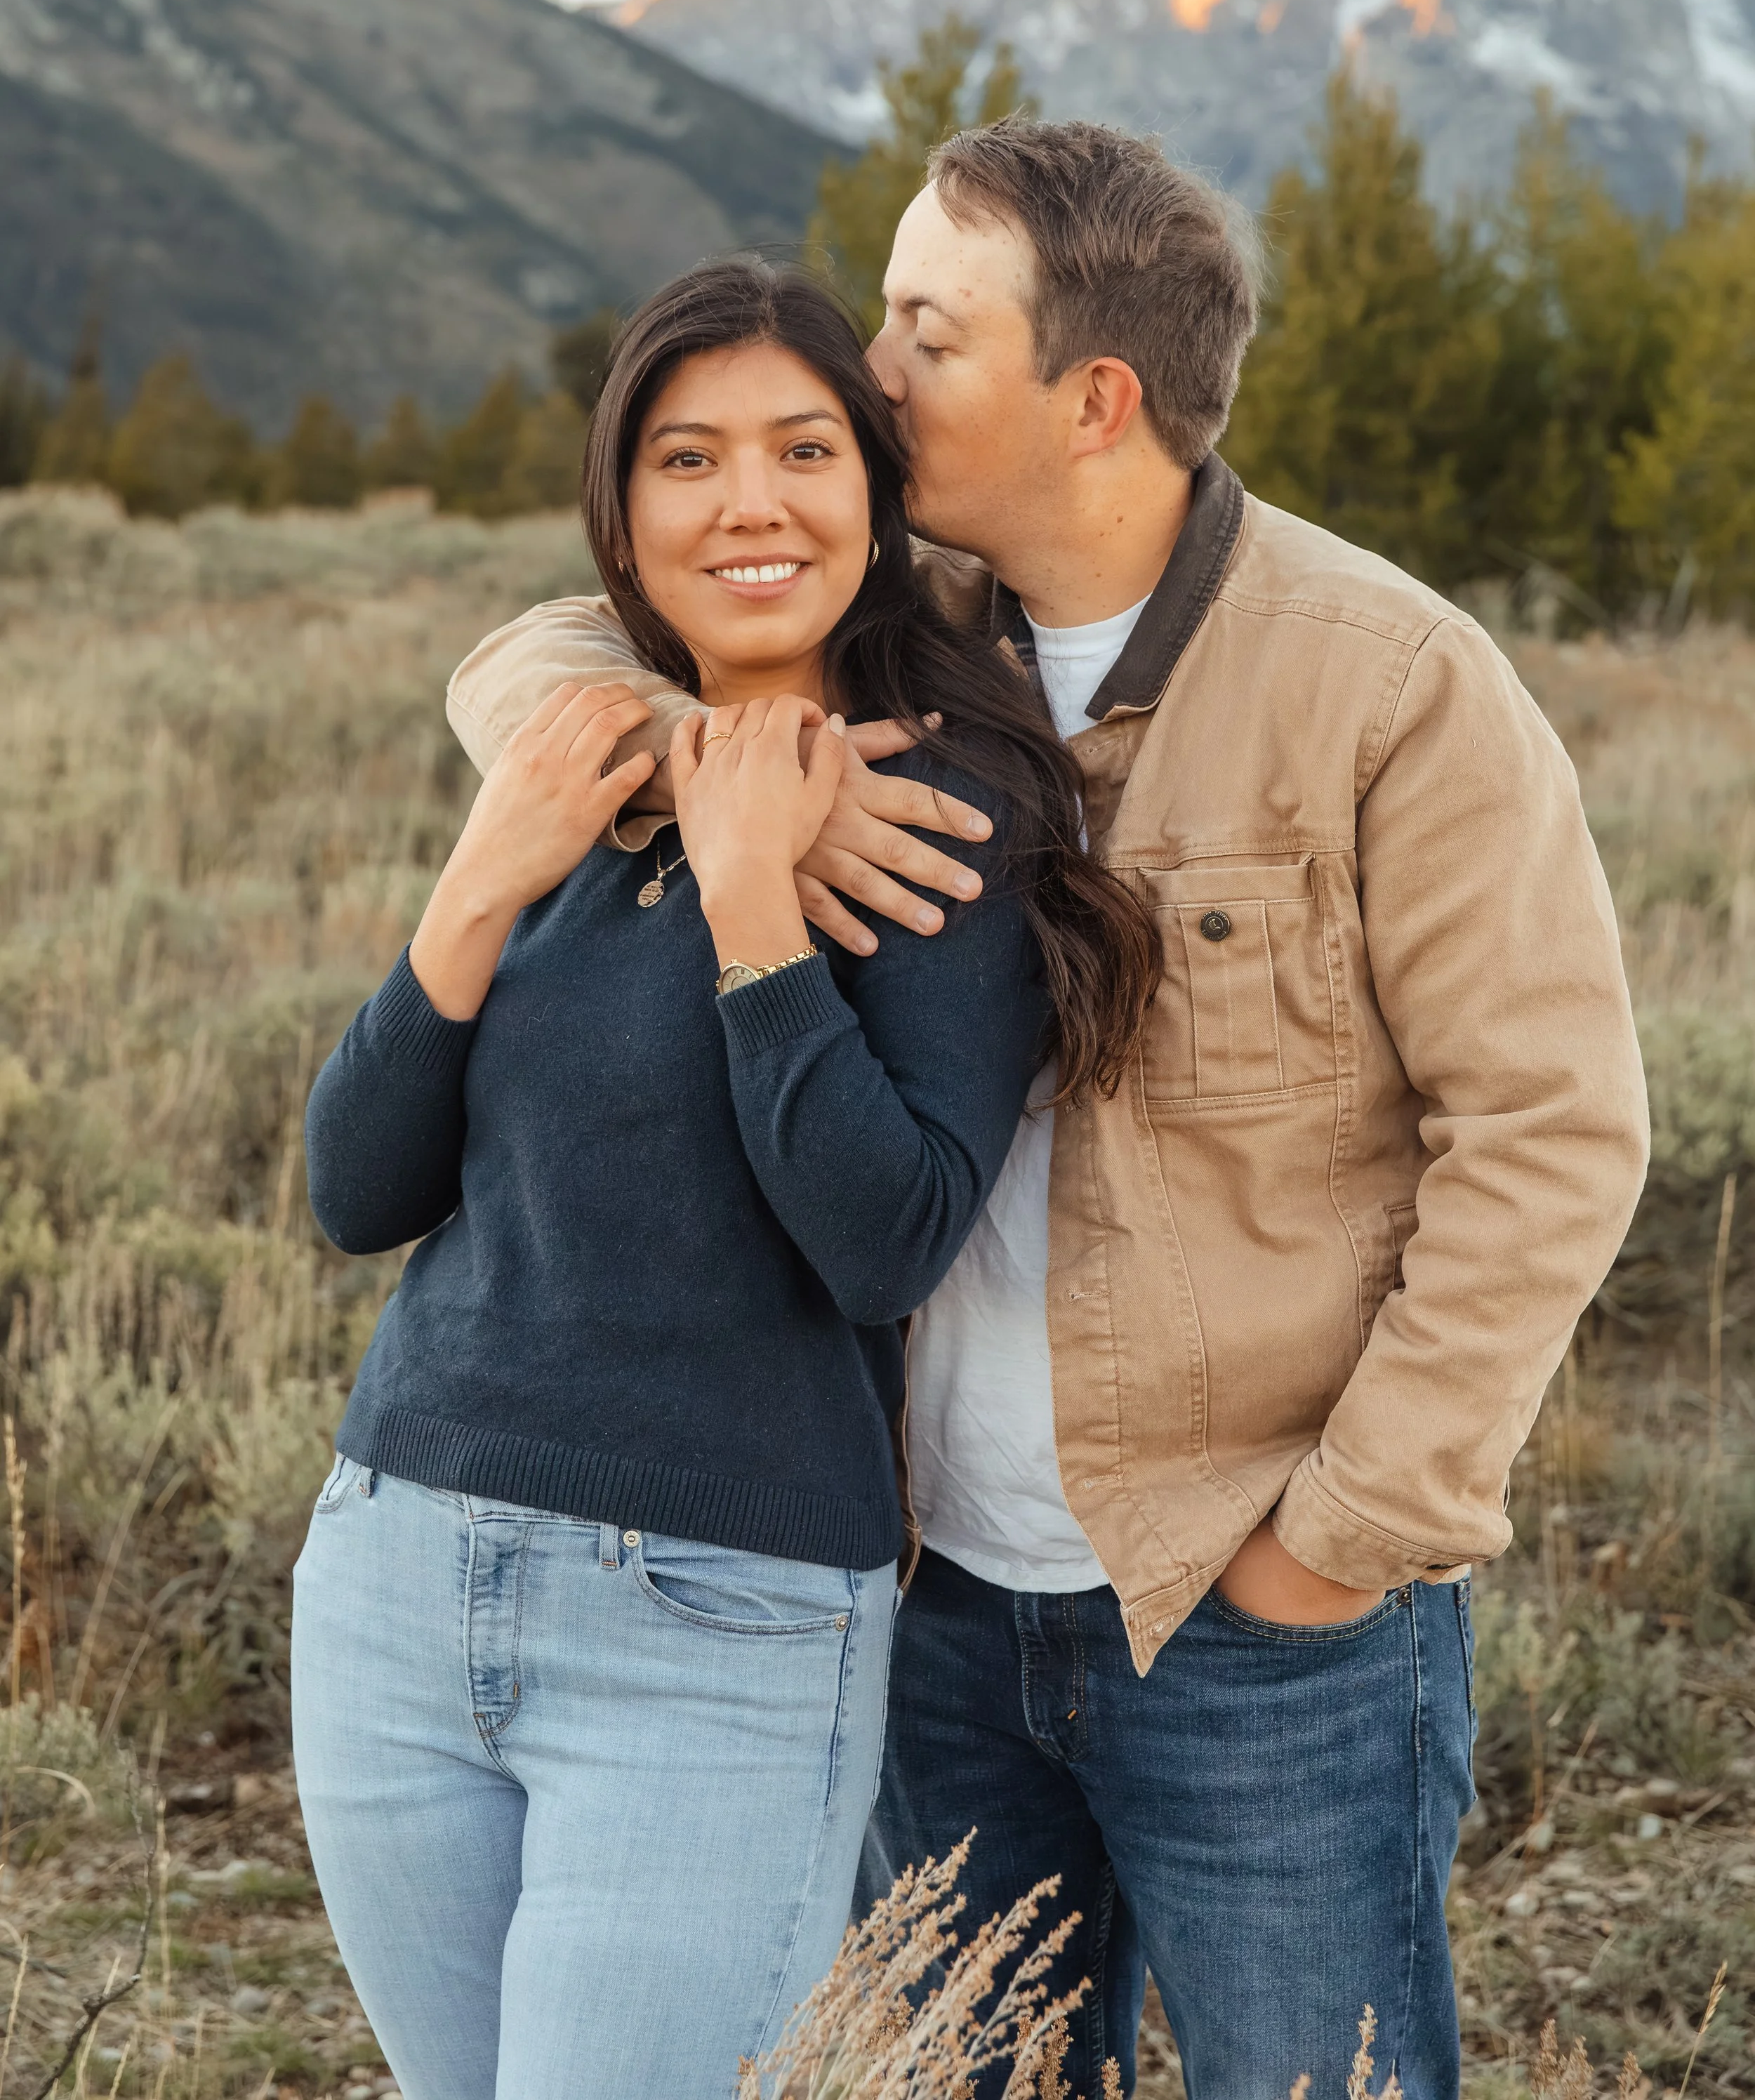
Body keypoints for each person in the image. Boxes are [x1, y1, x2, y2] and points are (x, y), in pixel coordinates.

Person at [445, 121, 1650, 2100]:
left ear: (1092, 398)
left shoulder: (1390, 684)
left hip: (1255, 1618)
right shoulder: (890, 626)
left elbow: (1551, 1135)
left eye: (925, 331)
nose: (871, 374)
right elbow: (517, 662)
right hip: (921, 1602)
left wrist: (1333, 1544)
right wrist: (718, 766)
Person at [291, 257, 1158, 2100]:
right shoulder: (582, 758)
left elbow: (884, 1239)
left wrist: (760, 910)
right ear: (621, 511)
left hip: (715, 1620)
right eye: (686, 459)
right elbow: (355, 1186)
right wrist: (481, 875)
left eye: (799, 449)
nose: (746, 503)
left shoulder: (945, 807)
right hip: (394, 1566)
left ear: (875, 484)